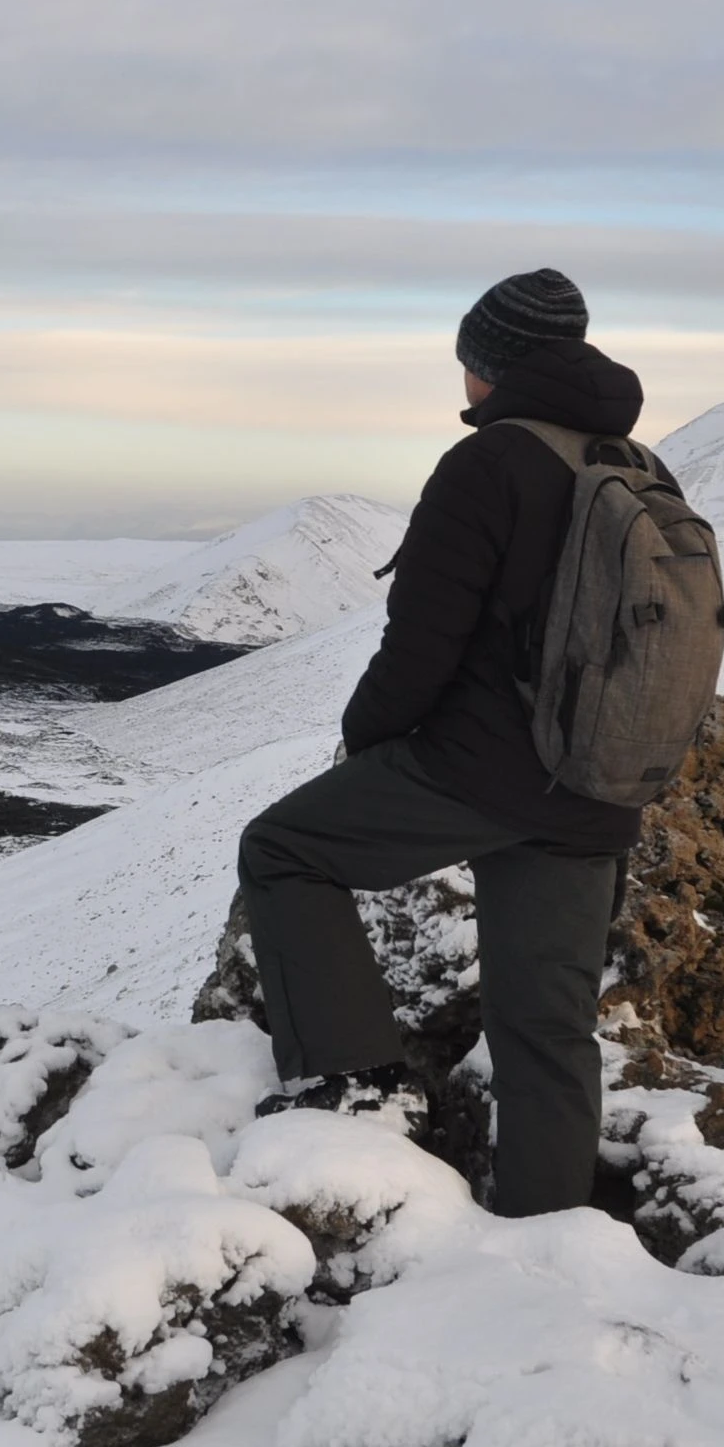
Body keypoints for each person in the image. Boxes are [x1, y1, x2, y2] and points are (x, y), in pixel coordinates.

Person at [232, 268, 677, 1218]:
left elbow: (422, 642)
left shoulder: (489, 463)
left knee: (283, 850)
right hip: (596, 787)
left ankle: (356, 1081)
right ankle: (551, 1237)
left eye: (468, 360)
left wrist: (368, 742)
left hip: (479, 771)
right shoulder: (639, 466)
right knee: (547, 1033)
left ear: (492, 364)